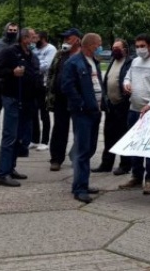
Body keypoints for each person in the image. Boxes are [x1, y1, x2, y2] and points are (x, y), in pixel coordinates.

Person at [119, 33, 150, 194]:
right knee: (135, 145)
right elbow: (127, 77)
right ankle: (136, 176)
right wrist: (126, 84)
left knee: (149, 147)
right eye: (137, 46)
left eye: (142, 46)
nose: (140, 49)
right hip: (133, 109)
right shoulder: (134, 61)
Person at [0, 27, 40, 187]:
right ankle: (3, 173)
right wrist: (12, 72)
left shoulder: (30, 55)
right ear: (25, 38)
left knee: (22, 137)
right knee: (10, 136)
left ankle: (11, 168)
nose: (35, 40)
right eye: (32, 37)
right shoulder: (10, 52)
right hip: (13, 98)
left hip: (27, 100)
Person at [61, 33, 104, 203]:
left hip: (95, 111)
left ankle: (83, 183)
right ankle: (79, 189)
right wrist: (80, 104)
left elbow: (97, 84)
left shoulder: (95, 61)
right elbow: (67, 87)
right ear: (91, 45)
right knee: (82, 150)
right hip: (82, 113)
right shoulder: (74, 62)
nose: (100, 47)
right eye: (99, 44)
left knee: (90, 149)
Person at [92, 38, 133, 175]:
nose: (114, 50)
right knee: (109, 135)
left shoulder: (130, 63)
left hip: (123, 105)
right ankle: (106, 163)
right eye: (113, 47)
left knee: (123, 136)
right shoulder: (113, 61)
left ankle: (125, 165)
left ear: (125, 50)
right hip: (110, 105)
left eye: (117, 48)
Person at [46, 28, 81, 171]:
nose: (66, 41)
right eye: (65, 38)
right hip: (60, 98)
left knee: (80, 129)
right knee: (60, 128)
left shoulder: (84, 55)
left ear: (78, 40)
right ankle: (56, 159)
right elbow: (51, 73)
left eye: (69, 38)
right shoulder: (60, 55)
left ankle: (77, 156)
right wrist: (50, 90)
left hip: (78, 98)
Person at [31, 30, 55, 151]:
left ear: (43, 38)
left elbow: (46, 65)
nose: (34, 40)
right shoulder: (34, 50)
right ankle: (34, 139)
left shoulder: (50, 49)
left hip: (44, 84)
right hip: (34, 83)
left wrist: (32, 67)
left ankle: (45, 141)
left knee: (44, 113)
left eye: (36, 38)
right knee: (33, 112)